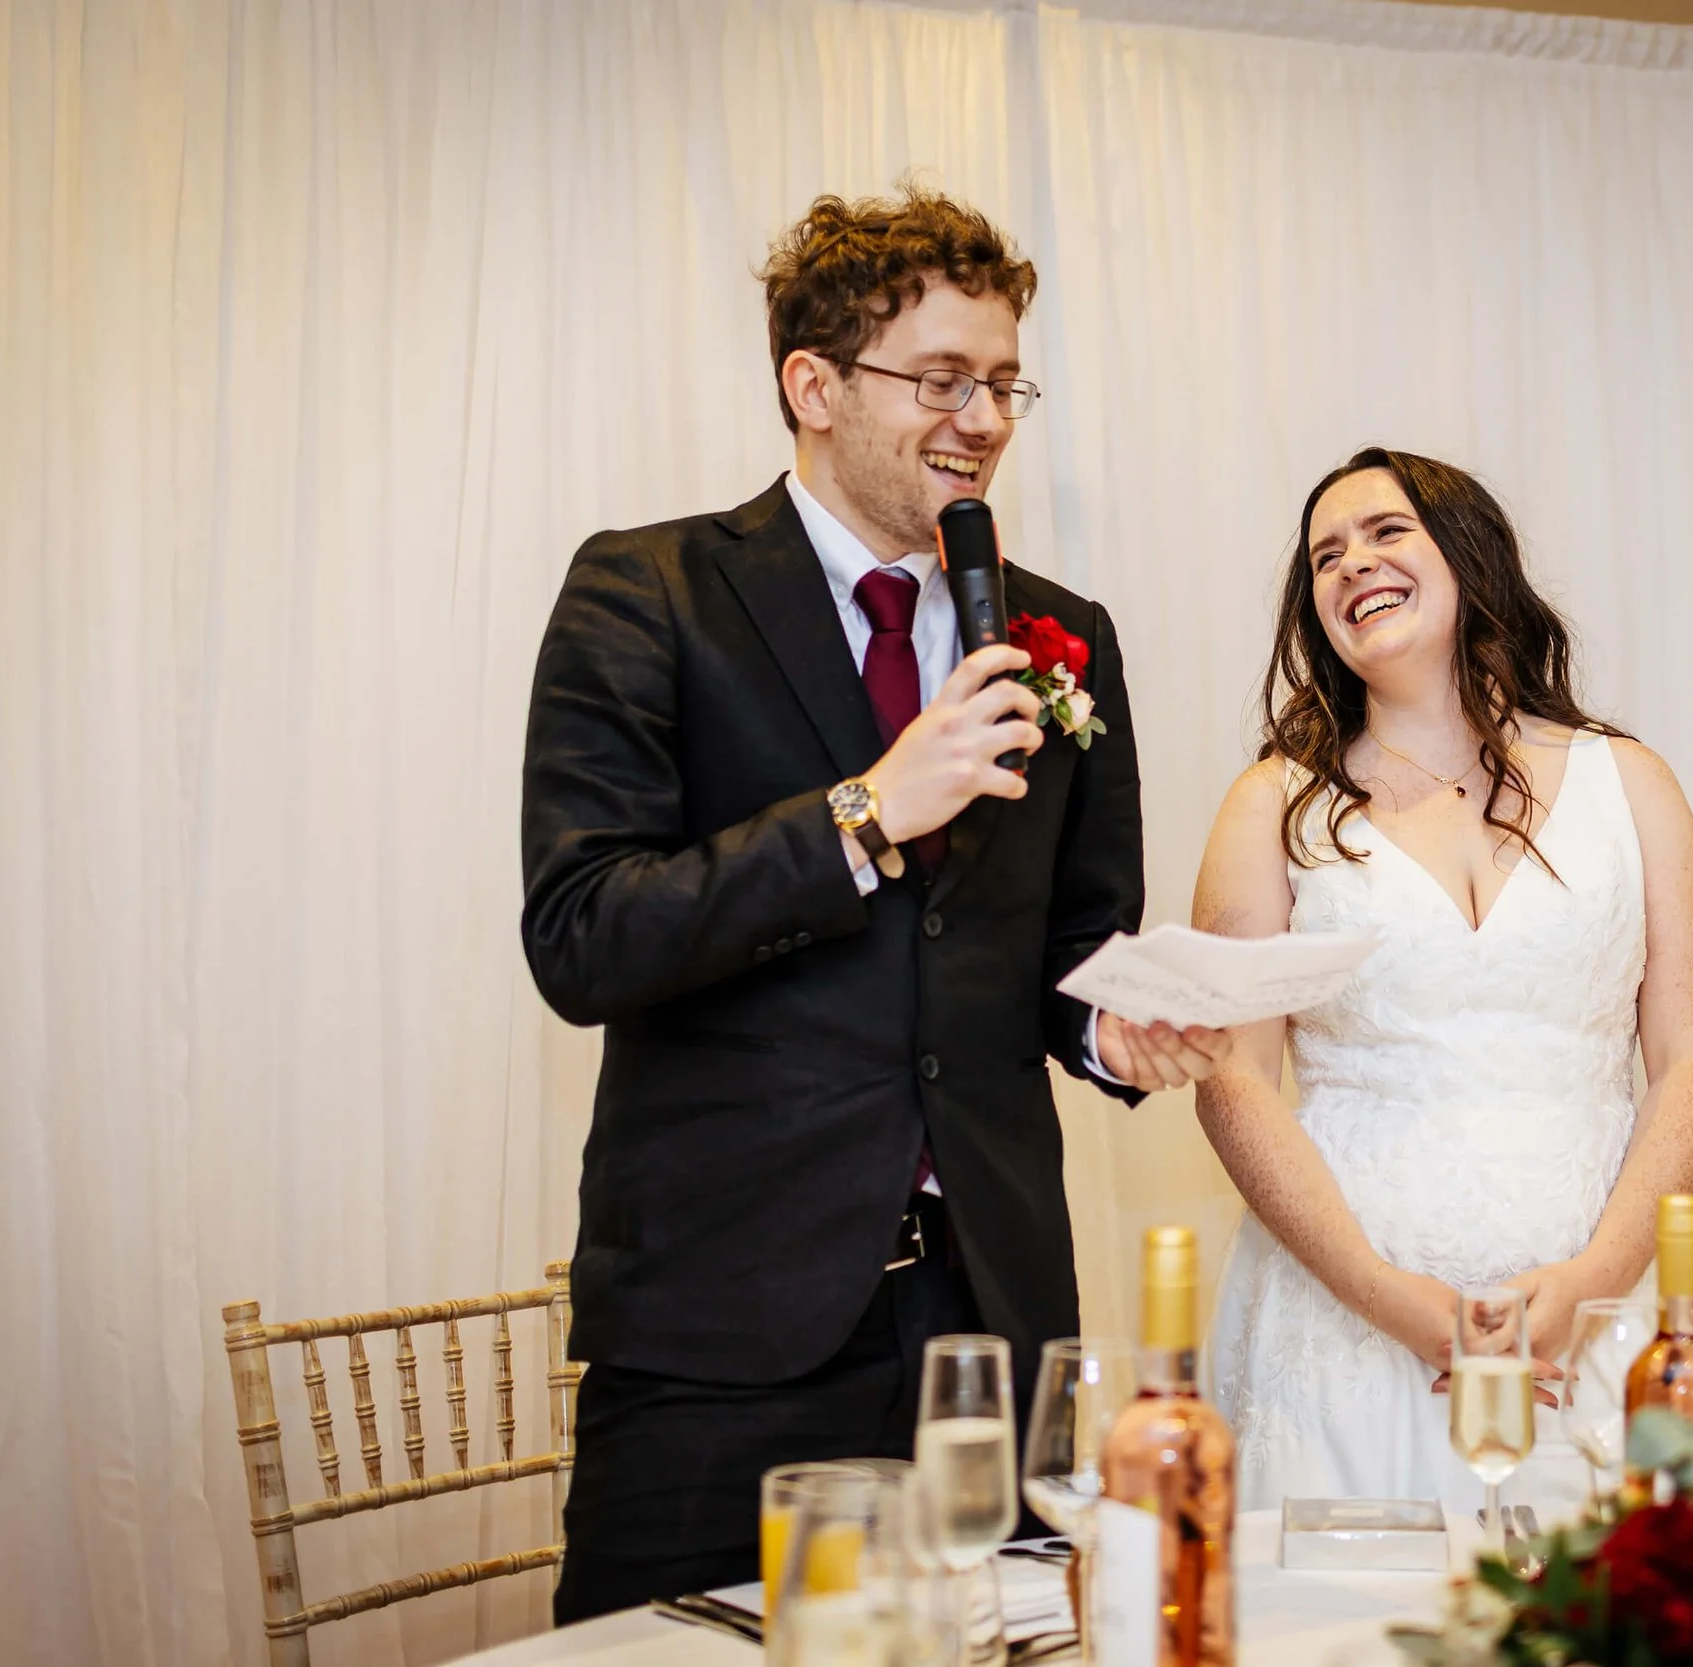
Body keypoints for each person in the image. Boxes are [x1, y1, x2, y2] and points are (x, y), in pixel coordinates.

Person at [519, 187, 1231, 1621]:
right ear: (815, 385)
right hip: (724, 1332)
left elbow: (1070, 950)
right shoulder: (648, 589)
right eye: (941, 378)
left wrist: (1120, 1033)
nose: (981, 417)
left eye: (1002, 382)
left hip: (990, 1322)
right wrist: (865, 811)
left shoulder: (1061, 631)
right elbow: (585, 931)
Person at [1190, 447, 1693, 1513]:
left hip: (1598, 1301)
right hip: (1343, 1315)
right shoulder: (1271, 803)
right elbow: (1231, 1076)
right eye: (1325, 557)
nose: (1353, 565)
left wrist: (1591, 1285)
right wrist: (1386, 1298)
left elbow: (1691, 1056)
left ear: (1469, 552)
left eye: (1387, 532)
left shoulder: (1632, 783)